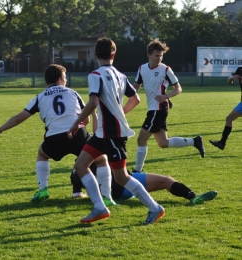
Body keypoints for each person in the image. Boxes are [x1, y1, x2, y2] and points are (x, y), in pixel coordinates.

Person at [68, 37, 165, 224]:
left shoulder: (95, 75)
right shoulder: (120, 75)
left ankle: (155, 208)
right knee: (81, 166)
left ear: (95, 55)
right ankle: (99, 207)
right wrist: (120, 113)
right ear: (114, 54)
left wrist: (76, 123)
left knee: (121, 177)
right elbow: (135, 99)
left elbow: (93, 102)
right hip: (103, 133)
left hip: (113, 133)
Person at [0, 64, 115, 205]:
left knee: (42, 154)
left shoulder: (39, 97)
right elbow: (86, 119)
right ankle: (106, 196)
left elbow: (19, 118)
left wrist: (0, 129)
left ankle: (43, 189)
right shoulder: (72, 93)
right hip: (77, 133)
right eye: (65, 78)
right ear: (60, 78)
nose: (66, 81)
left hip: (54, 138)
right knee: (101, 159)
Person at [133, 39, 205, 173]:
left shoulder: (165, 69)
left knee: (141, 138)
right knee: (163, 143)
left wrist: (165, 96)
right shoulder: (142, 69)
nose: (159, 58)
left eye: (161, 55)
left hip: (159, 109)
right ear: (149, 55)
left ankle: (137, 170)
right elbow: (135, 87)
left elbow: (178, 88)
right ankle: (195, 141)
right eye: (156, 55)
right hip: (153, 109)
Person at [70, 163, 217, 205]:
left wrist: (88, 194)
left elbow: (77, 195)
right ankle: (192, 196)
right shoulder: (103, 151)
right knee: (166, 180)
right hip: (125, 184)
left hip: (113, 194)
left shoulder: (75, 171)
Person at [210, 67, 242, 150]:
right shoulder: (240, 70)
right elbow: (229, 82)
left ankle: (222, 142)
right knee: (229, 118)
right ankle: (222, 143)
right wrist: (231, 78)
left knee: (229, 118)